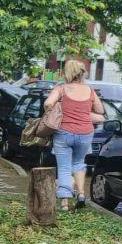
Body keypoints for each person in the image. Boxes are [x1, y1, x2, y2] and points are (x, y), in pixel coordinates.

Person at [44, 59, 104, 210]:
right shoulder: (90, 90)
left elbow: (48, 104)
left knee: (64, 168)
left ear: (67, 73)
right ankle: (82, 194)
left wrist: (55, 109)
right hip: (85, 133)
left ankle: (64, 203)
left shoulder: (61, 89)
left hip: (64, 132)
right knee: (78, 163)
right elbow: (100, 110)